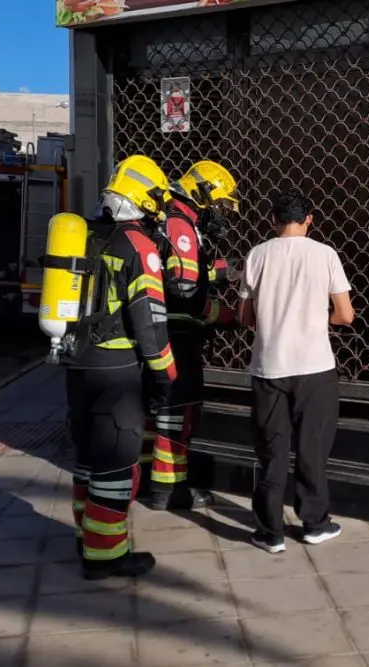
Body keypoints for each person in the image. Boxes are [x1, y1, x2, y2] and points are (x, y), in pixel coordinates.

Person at [65, 155, 177, 580]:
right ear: (144, 200)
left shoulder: (88, 236)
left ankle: (87, 535)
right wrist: (165, 375)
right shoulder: (139, 247)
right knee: (115, 465)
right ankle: (106, 556)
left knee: (88, 458)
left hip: (78, 365)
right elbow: (149, 321)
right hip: (116, 370)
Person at [237, 188, 355, 554]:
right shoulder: (325, 255)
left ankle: (270, 532)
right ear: (310, 219)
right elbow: (345, 315)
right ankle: (315, 523)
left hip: (269, 368)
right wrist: (320, 320)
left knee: (272, 451)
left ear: (273, 220)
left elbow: (244, 317)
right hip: (316, 369)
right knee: (312, 449)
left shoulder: (257, 255)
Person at [140, 160, 240, 511]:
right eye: (219, 203)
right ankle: (170, 490)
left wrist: (224, 271)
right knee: (178, 413)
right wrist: (222, 314)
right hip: (178, 334)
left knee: (155, 411)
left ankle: (144, 481)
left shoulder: (170, 219)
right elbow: (184, 288)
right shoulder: (182, 224)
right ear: (203, 193)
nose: (219, 212)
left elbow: (185, 269)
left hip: (158, 330)